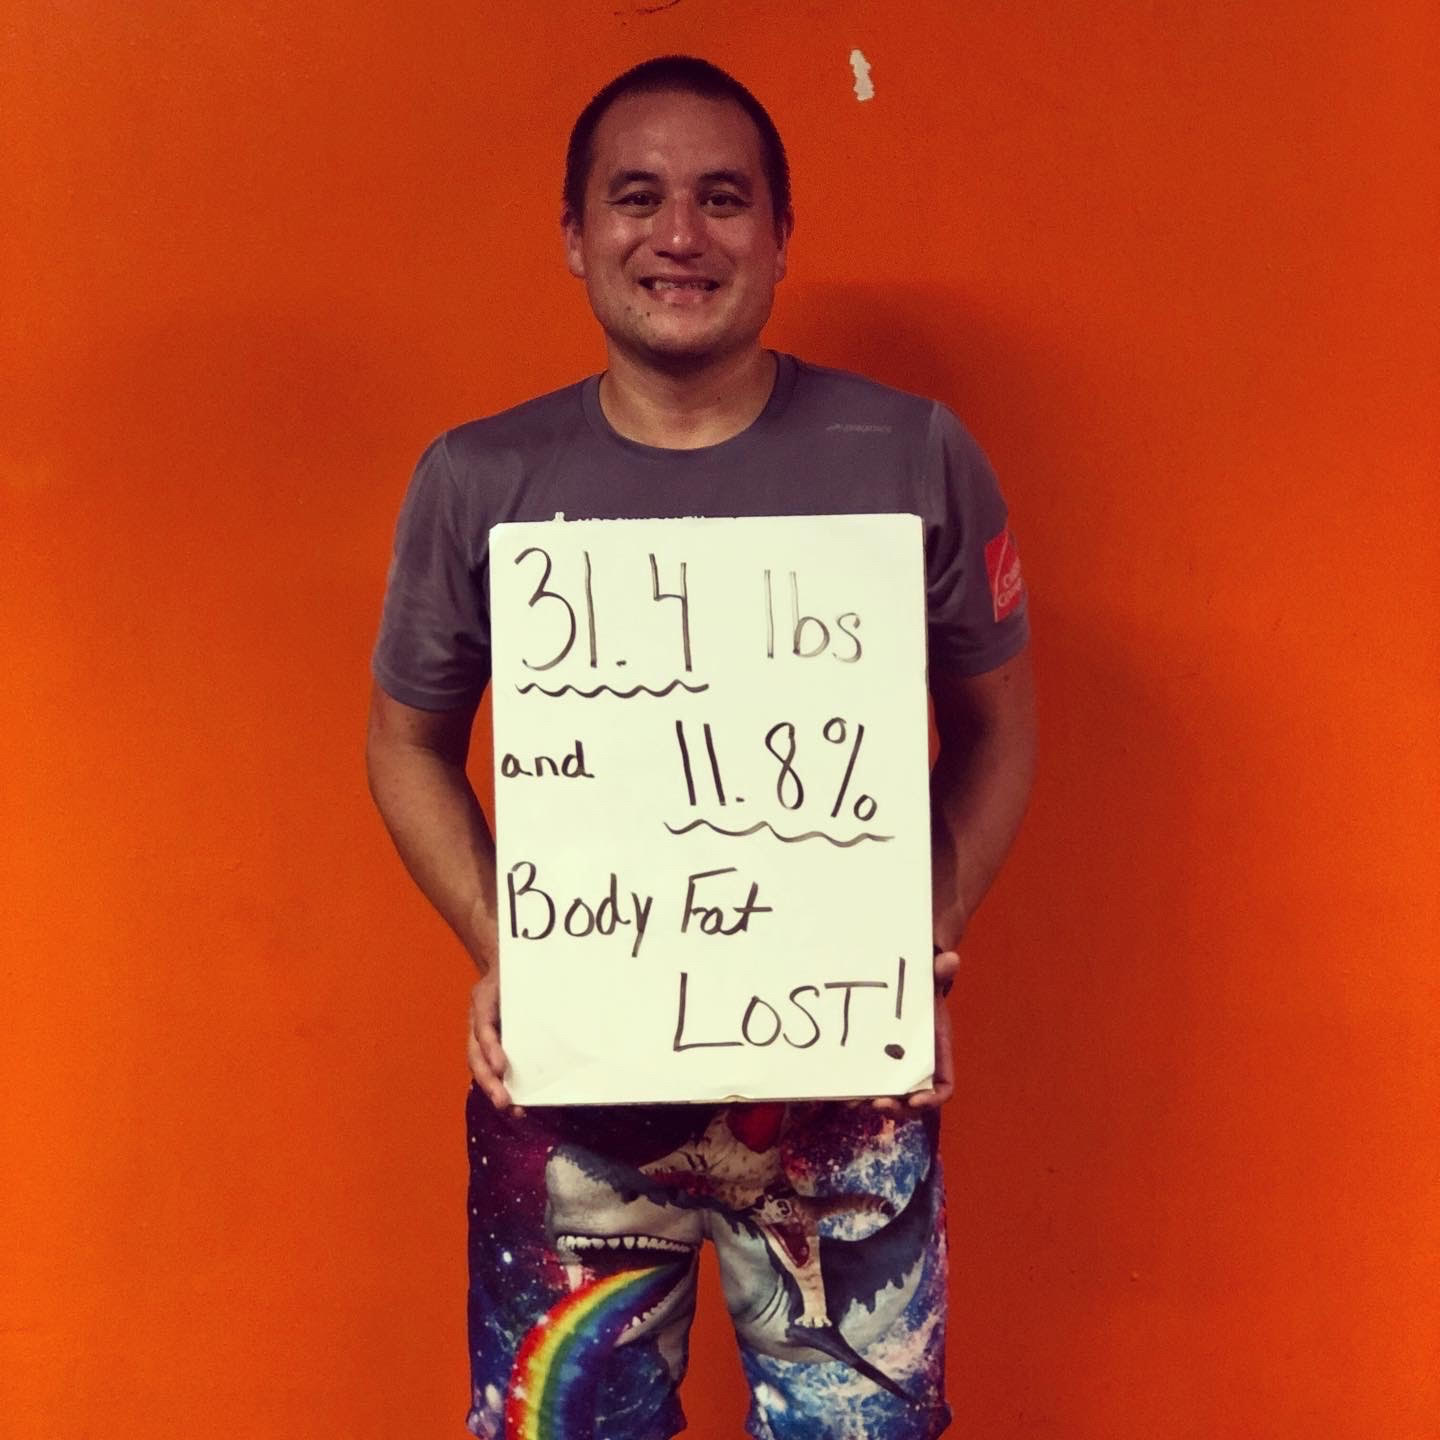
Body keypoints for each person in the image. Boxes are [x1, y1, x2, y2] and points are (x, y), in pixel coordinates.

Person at [367, 55, 1035, 1440]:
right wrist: (506, 944)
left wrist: (920, 928)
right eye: (638, 198)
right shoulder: (479, 481)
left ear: (781, 236)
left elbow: (999, 730)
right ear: (575, 234)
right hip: (574, 1077)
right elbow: (403, 743)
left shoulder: (909, 455)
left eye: (723, 199)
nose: (680, 234)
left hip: (840, 1082)